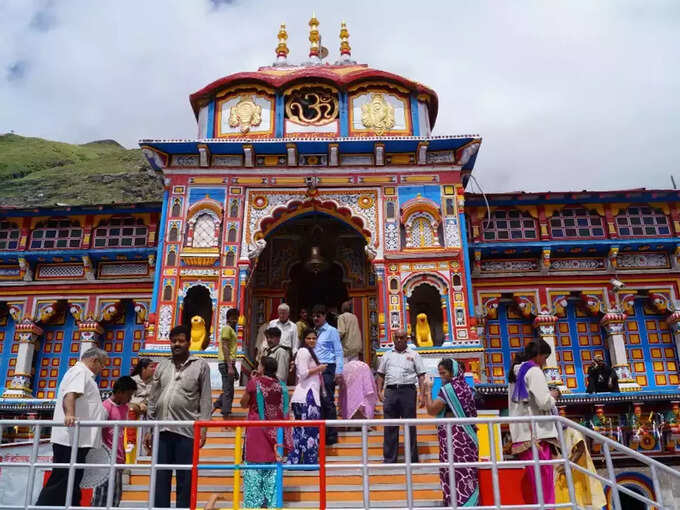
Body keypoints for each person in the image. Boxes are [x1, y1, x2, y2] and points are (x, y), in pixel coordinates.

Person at [144, 325, 212, 509]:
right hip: (162, 429)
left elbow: (206, 400)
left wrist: (203, 429)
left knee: (185, 478)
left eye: (181, 341)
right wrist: (150, 428)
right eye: (173, 341)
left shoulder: (200, 365)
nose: (177, 344)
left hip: (186, 430)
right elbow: (153, 398)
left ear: (189, 342)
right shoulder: (162, 366)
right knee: (160, 477)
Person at [36, 347, 109, 508]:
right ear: (94, 360)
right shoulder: (80, 372)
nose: (102, 369)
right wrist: (69, 414)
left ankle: (72, 505)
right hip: (70, 438)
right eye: (102, 365)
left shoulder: (85, 375)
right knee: (62, 478)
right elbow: (70, 395)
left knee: (73, 478)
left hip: (78, 439)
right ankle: (44, 506)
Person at [508, 339, 560, 507]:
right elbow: (543, 402)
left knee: (535, 482)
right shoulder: (534, 371)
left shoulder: (516, 372)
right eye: (545, 357)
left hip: (522, 434)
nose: (545, 362)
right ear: (538, 356)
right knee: (544, 482)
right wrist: (553, 396)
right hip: (537, 434)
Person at [423, 359, 479, 507]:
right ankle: (468, 503)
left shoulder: (448, 390)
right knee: (466, 472)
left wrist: (427, 390)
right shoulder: (466, 388)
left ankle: (457, 503)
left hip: (455, 439)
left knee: (454, 472)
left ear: (452, 372)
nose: (442, 377)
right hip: (468, 438)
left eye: (444, 373)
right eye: (440, 374)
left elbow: (431, 409)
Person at [240, 356, 292, 509]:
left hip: (257, 432)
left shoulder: (254, 383)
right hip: (277, 434)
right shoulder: (281, 386)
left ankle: (253, 505)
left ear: (262, 367)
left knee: (254, 473)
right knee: (273, 473)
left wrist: (252, 380)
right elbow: (284, 410)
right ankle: (273, 505)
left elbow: (243, 404)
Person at [376, 330, 426, 464]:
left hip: (408, 391)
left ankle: (412, 459)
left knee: (410, 425)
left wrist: (422, 394)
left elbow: (421, 375)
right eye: (396, 338)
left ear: (407, 339)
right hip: (391, 391)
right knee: (390, 426)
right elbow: (380, 374)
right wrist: (379, 391)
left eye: (402, 338)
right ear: (393, 338)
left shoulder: (414, 355)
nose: (399, 340)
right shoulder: (386, 355)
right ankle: (389, 459)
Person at [91, 375, 138, 507]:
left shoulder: (124, 408)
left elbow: (121, 435)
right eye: (129, 395)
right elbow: (97, 433)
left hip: (118, 459)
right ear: (120, 392)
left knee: (116, 495)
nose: (130, 398)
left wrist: (122, 456)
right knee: (102, 495)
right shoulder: (106, 407)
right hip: (105, 459)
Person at [289, 328, 326, 464]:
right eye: (308, 338)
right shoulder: (304, 351)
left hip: (306, 395)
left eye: (314, 338)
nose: (312, 341)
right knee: (309, 431)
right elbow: (303, 374)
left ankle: (296, 461)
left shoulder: (310, 352)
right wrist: (319, 369)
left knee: (299, 431)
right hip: (307, 396)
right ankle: (308, 461)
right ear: (304, 340)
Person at [312, 304, 344, 445]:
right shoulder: (313, 332)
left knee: (327, 401)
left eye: (318, 315)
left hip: (327, 368)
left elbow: (338, 351)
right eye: (314, 315)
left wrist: (338, 371)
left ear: (324, 316)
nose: (316, 318)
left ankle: (331, 435)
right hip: (314, 369)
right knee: (315, 402)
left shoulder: (331, 331)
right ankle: (319, 434)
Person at [555, 427, 606, 509]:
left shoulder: (572, 430)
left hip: (573, 474)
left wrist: (568, 465)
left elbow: (580, 448)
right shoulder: (553, 433)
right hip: (558, 473)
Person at [217, 308, 239, 418]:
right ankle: (226, 415)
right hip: (226, 362)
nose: (235, 320)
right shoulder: (227, 329)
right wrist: (230, 366)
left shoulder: (231, 330)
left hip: (229, 362)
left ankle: (217, 404)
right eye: (234, 317)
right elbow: (225, 346)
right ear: (229, 318)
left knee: (229, 388)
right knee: (228, 390)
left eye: (236, 317)